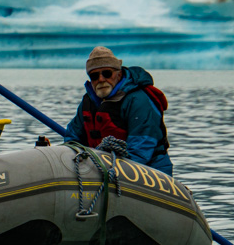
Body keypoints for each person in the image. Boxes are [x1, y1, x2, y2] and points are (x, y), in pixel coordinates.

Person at [63, 46, 173, 175]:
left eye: (107, 73)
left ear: (119, 74)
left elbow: (141, 147)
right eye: (94, 76)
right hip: (103, 169)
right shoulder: (88, 102)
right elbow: (72, 136)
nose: (101, 79)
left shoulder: (138, 100)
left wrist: (114, 172)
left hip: (150, 172)